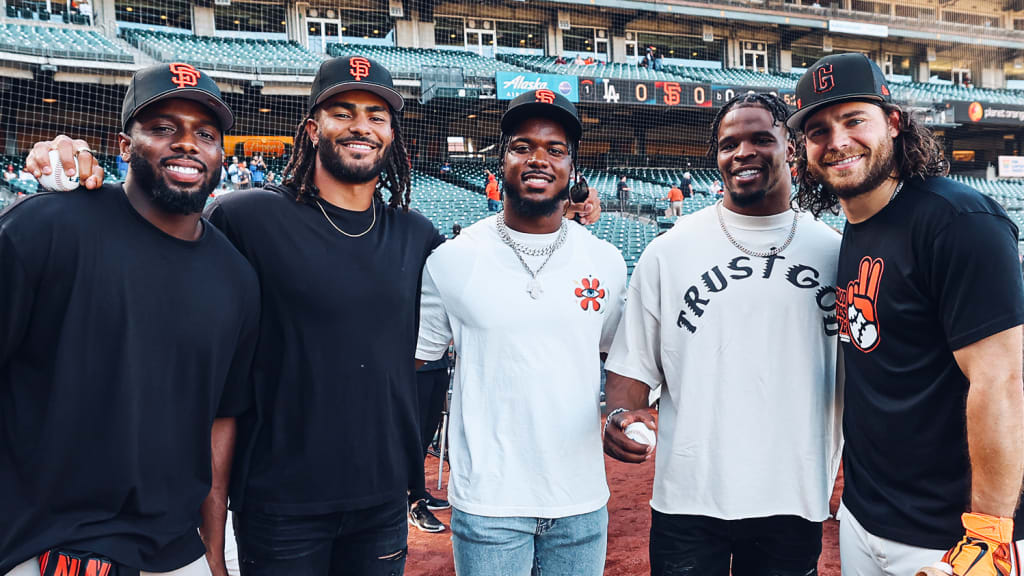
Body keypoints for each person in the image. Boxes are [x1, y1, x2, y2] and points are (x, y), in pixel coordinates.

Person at [26, 56, 602, 576]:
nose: (361, 126)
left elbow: (501, 271)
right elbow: (162, 240)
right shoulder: (246, 218)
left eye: (377, 115)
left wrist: (569, 214)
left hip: (380, 502)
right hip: (279, 503)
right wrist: (75, 169)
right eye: (342, 111)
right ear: (311, 128)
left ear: (392, 135)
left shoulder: (419, 238)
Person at [5, 62, 259, 576]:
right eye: (164, 128)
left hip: (174, 548)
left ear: (221, 156)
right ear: (124, 147)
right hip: (53, 545)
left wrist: (212, 552)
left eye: (205, 133)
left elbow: (220, 420)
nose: (187, 143)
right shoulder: (47, 226)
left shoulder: (236, 276)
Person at [789, 52, 1024, 576]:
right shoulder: (853, 228)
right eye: (818, 130)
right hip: (865, 517)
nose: (837, 141)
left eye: (854, 120)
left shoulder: (960, 222)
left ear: (893, 123)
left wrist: (988, 535)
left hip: (949, 536)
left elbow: (1003, 380)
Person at [603, 92, 843, 576]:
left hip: (794, 497)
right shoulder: (669, 252)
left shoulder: (836, 253)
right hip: (690, 499)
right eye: (729, 143)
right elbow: (632, 371)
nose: (742, 152)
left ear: (790, 147)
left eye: (760, 138)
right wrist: (621, 418)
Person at [415, 89, 626, 576]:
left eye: (555, 150)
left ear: (572, 167)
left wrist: (620, 412)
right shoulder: (453, 259)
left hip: (580, 501)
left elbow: (616, 358)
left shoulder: (606, 261)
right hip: (489, 502)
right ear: (501, 158)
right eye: (522, 146)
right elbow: (420, 361)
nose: (538, 159)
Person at [407, 353, 452, 533]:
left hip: (439, 365)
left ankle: (419, 493)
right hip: (416, 367)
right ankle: (415, 503)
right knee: (413, 439)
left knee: (426, 435)